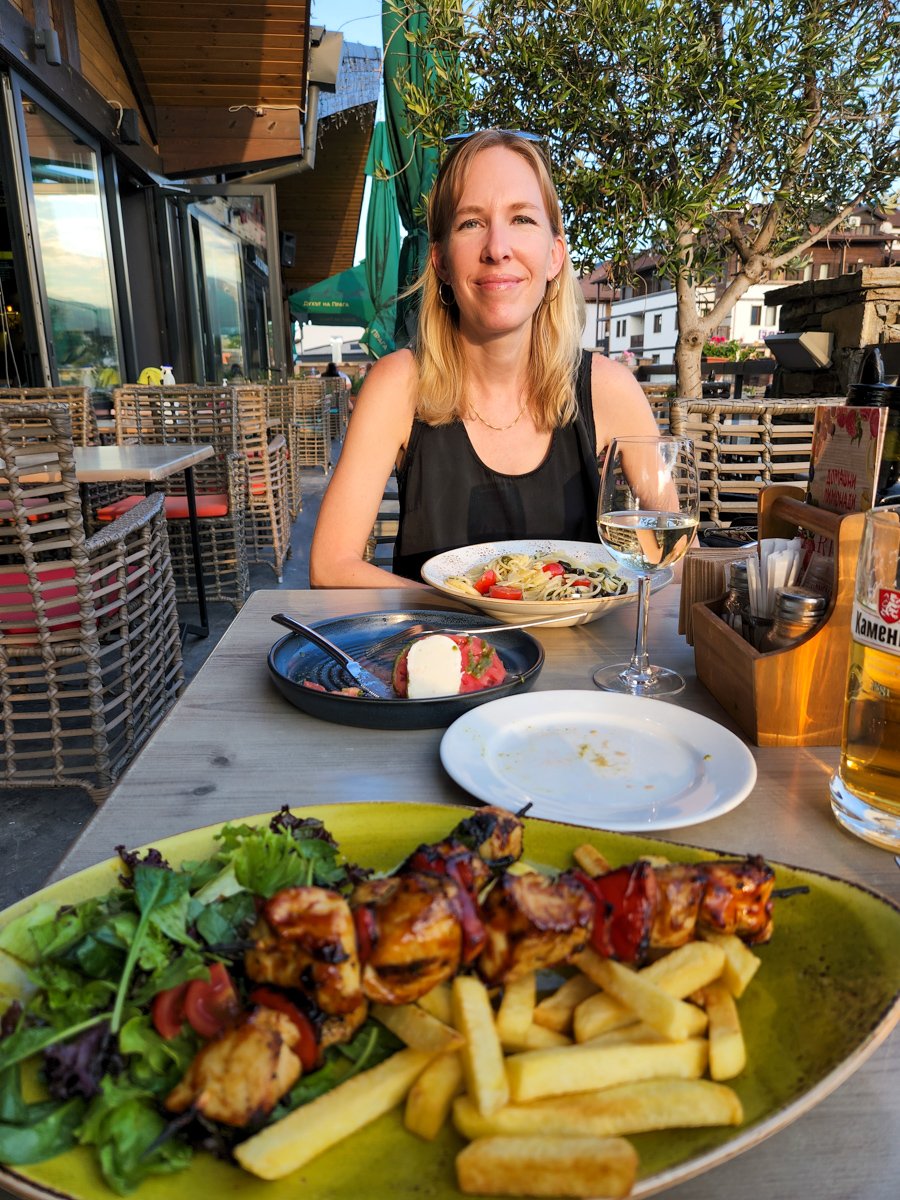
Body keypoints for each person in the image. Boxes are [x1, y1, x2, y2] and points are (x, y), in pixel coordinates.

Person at [309, 129, 659, 588]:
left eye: (522, 219)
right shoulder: (397, 385)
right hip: (449, 656)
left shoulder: (608, 389)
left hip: (584, 660)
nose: (497, 248)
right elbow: (330, 566)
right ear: (440, 262)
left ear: (555, 256)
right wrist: (468, 611)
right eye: (471, 223)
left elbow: (669, 550)